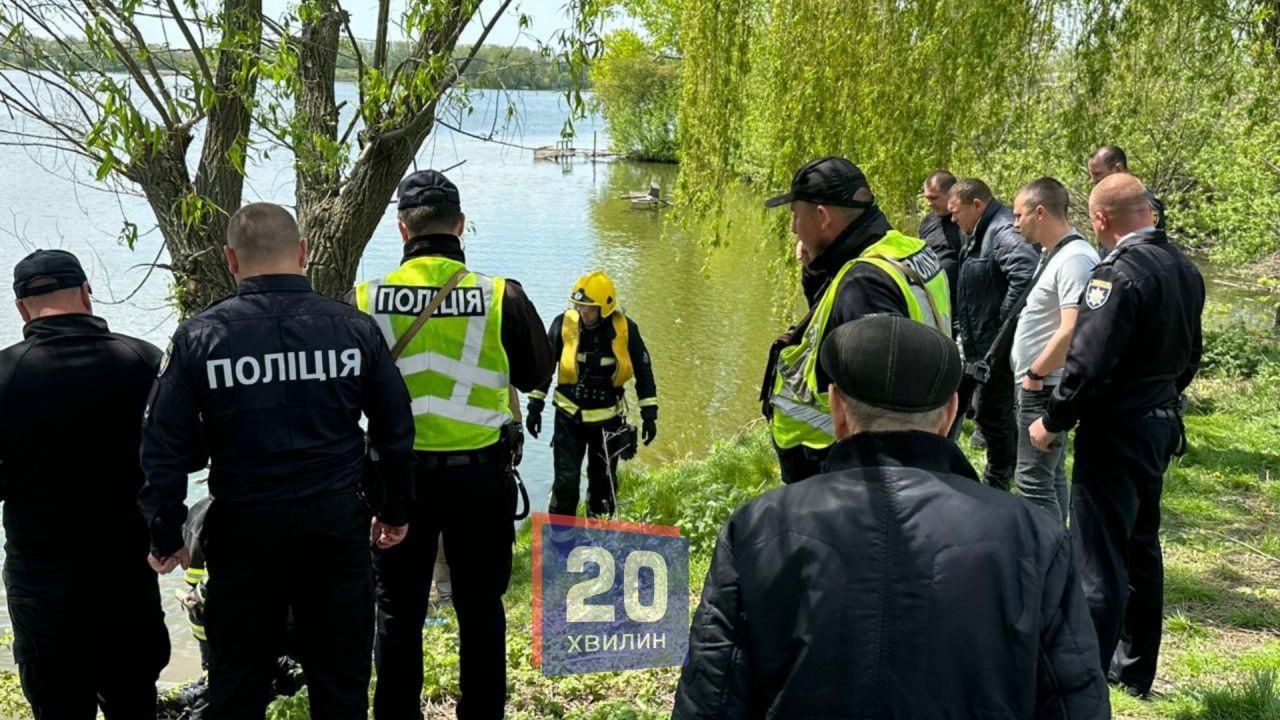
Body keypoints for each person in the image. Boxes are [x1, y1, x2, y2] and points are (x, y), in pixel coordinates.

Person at [673, 315, 1109, 719]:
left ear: (837, 410)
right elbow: (1075, 702)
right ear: (950, 415)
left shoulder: (758, 528)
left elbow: (710, 697)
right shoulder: (1034, 537)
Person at [140, 202, 416, 720]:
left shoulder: (200, 336)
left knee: (239, 680)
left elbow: (162, 443)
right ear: (304, 253)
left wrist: (165, 530)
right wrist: (395, 508)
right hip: (334, 526)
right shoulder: (354, 329)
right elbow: (395, 429)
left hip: (245, 530)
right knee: (340, 678)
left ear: (230, 260)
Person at [354, 169, 554, 720]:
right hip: (479, 480)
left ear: (401, 229)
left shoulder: (365, 299)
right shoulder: (499, 296)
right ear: (460, 226)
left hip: (399, 482)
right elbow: (538, 374)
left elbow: (347, 394)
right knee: (480, 607)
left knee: (397, 610)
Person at [1031, 173, 1205, 698]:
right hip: (1157, 425)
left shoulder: (1116, 276)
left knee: (1098, 555)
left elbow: (1088, 366)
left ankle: (1086, 676)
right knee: (1141, 546)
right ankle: (1134, 670)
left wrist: (1052, 419)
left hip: (1115, 432)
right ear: (1148, 212)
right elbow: (1190, 355)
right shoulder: (1183, 267)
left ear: (1100, 220)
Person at [0, 249, 170, 719]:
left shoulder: (5, 374)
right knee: (134, 703)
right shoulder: (144, 360)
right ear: (87, 294)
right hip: (127, 575)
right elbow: (185, 453)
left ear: (20, 308)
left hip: (43, 583)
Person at [761, 156, 951, 484]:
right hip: (921, 432)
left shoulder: (863, 283)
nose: (793, 228)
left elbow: (877, 409)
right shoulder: (906, 249)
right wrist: (814, 270)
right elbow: (833, 324)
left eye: (795, 216)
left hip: (833, 465)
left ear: (822, 217)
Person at [158, 496, 306, 719]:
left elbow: (194, 583)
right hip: (276, 615)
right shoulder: (288, 503)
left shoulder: (198, 518)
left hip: (235, 622)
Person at [527, 271, 658, 517]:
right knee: (565, 486)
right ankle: (560, 545)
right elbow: (543, 367)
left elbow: (644, 371)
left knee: (603, 490)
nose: (583, 313)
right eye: (579, 307)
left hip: (608, 425)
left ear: (605, 308)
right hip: (569, 422)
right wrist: (535, 407)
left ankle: (598, 543)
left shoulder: (626, 330)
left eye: (589, 309)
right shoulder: (563, 325)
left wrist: (649, 414)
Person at [1010, 177, 1100, 521]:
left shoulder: (1075, 259)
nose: (1015, 224)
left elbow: (1074, 327)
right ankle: (1061, 554)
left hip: (1045, 386)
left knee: (1032, 482)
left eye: (1019, 215)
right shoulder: (1055, 254)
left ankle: (1043, 564)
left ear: (1041, 212)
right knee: (1049, 477)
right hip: (1040, 384)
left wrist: (1035, 372)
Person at [947, 178, 1039, 490]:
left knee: (992, 414)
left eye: (956, 211)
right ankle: (945, 470)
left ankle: (998, 481)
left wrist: (1000, 323)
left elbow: (1026, 271)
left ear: (977, 205)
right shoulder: (977, 232)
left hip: (994, 346)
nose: (952, 219)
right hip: (976, 343)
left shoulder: (1000, 231)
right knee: (956, 403)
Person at [1088, 145, 1166, 231]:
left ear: (1118, 169)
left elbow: (1155, 236)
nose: (1092, 181)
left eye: (1097, 174)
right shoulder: (1106, 203)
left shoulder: (1147, 201)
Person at [918, 170, 963, 296]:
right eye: (927, 198)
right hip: (933, 298)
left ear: (951, 194)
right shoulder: (927, 223)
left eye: (934, 198)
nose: (929, 204)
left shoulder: (967, 221)